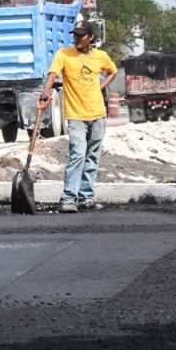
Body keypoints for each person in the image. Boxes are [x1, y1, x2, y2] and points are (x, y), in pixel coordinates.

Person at [40, 24, 118, 213]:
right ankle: (68, 198)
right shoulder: (64, 55)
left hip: (98, 114)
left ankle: (86, 197)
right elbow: (53, 75)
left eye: (81, 36)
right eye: (75, 35)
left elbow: (113, 71)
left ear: (91, 37)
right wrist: (45, 92)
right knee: (78, 154)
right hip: (76, 116)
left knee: (93, 156)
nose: (76, 39)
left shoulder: (101, 56)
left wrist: (101, 87)